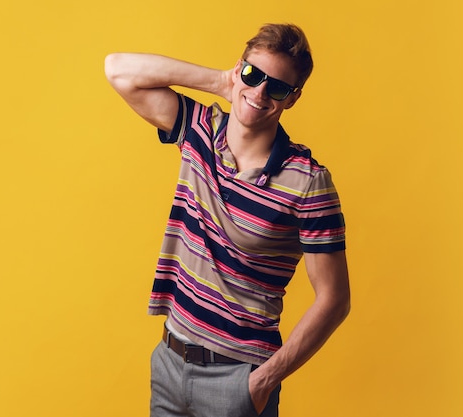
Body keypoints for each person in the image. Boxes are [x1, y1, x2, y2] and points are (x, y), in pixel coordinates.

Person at [104, 23, 350, 417]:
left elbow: (335, 299)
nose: (259, 94)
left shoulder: (307, 181)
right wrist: (223, 82)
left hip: (239, 377)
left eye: (277, 88)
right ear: (240, 68)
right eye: (253, 75)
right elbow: (118, 69)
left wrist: (263, 382)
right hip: (169, 360)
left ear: (293, 98)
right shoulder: (200, 130)